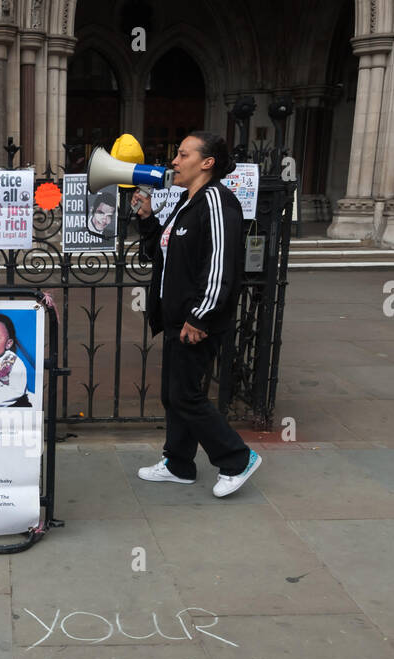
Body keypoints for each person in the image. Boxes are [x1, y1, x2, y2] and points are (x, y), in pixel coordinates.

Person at [131, 132, 260, 497]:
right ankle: (179, 464)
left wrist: (200, 317)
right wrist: (147, 218)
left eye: (183, 154)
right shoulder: (188, 202)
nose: (174, 161)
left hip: (197, 322)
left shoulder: (217, 201)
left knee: (186, 395)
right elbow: (162, 255)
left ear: (207, 163)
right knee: (174, 395)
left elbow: (220, 266)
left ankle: (237, 458)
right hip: (178, 319)